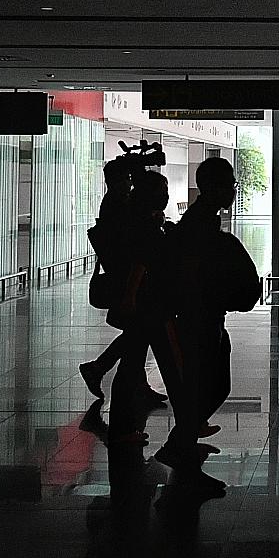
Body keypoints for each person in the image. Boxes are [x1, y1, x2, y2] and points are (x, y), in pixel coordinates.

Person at [154, 157, 262, 493]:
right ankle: (182, 457)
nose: (234, 188)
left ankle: (181, 445)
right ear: (215, 187)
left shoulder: (200, 220)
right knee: (205, 387)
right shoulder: (202, 227)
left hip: (201, 316)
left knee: (206, 386)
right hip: (197, 319)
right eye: (230, 182)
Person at [79, 158, 168, 409]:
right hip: (128, 279)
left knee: (137, 334)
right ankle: (101, 370)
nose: (131, 184)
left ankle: (127, 381)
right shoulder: (120, 207)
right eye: (128, 179)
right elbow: (138, 251)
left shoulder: (114, 204)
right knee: (138, 333)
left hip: (126, 279)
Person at [104, 170, 175, 446]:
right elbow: (140, 263)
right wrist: (131, 297)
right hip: (143, 303)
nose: (165, 195)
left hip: (144, 302)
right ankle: (121, 429)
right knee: (132, 365)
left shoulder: (136, 217)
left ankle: (123, 427)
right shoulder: (143, 224)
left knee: (132, 363)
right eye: (162, 189)